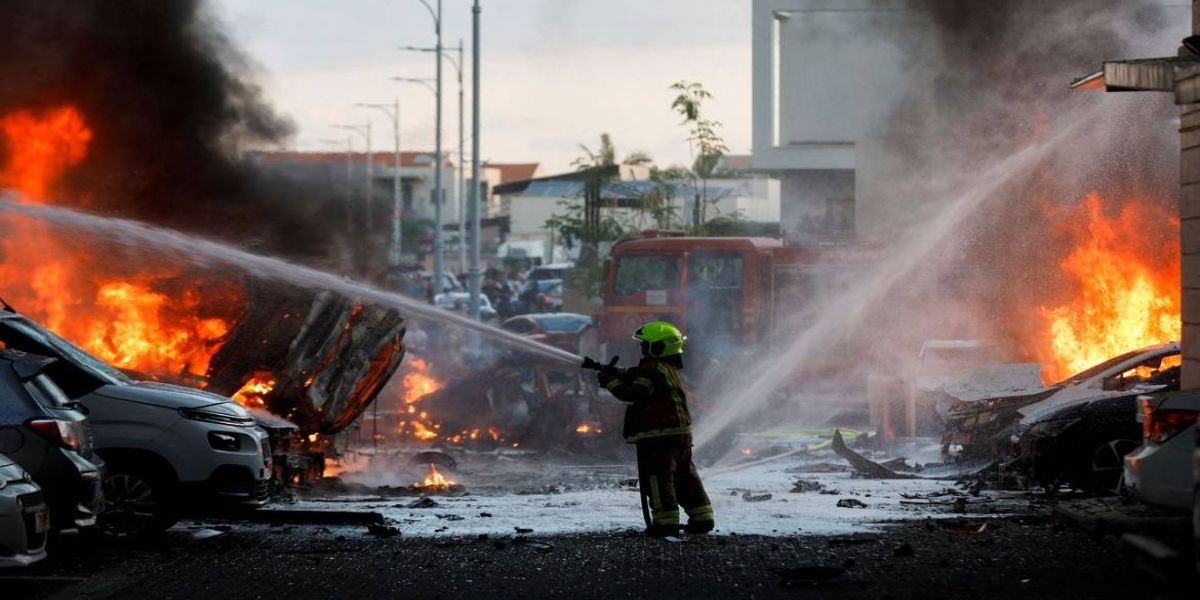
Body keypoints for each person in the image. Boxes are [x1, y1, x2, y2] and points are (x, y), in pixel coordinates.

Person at [597, 321, 714, 537]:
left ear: (658, 347)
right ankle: (702, 517)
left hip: (658, 437)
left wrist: (610, 382)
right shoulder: (666, 368)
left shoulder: (652, 369)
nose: (641, 349)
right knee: (685, 477)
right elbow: (637, 376)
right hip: (680, 435)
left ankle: (665, 523)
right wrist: (617, 373)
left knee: (658, 479)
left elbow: (634, 393)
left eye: (645, 345)